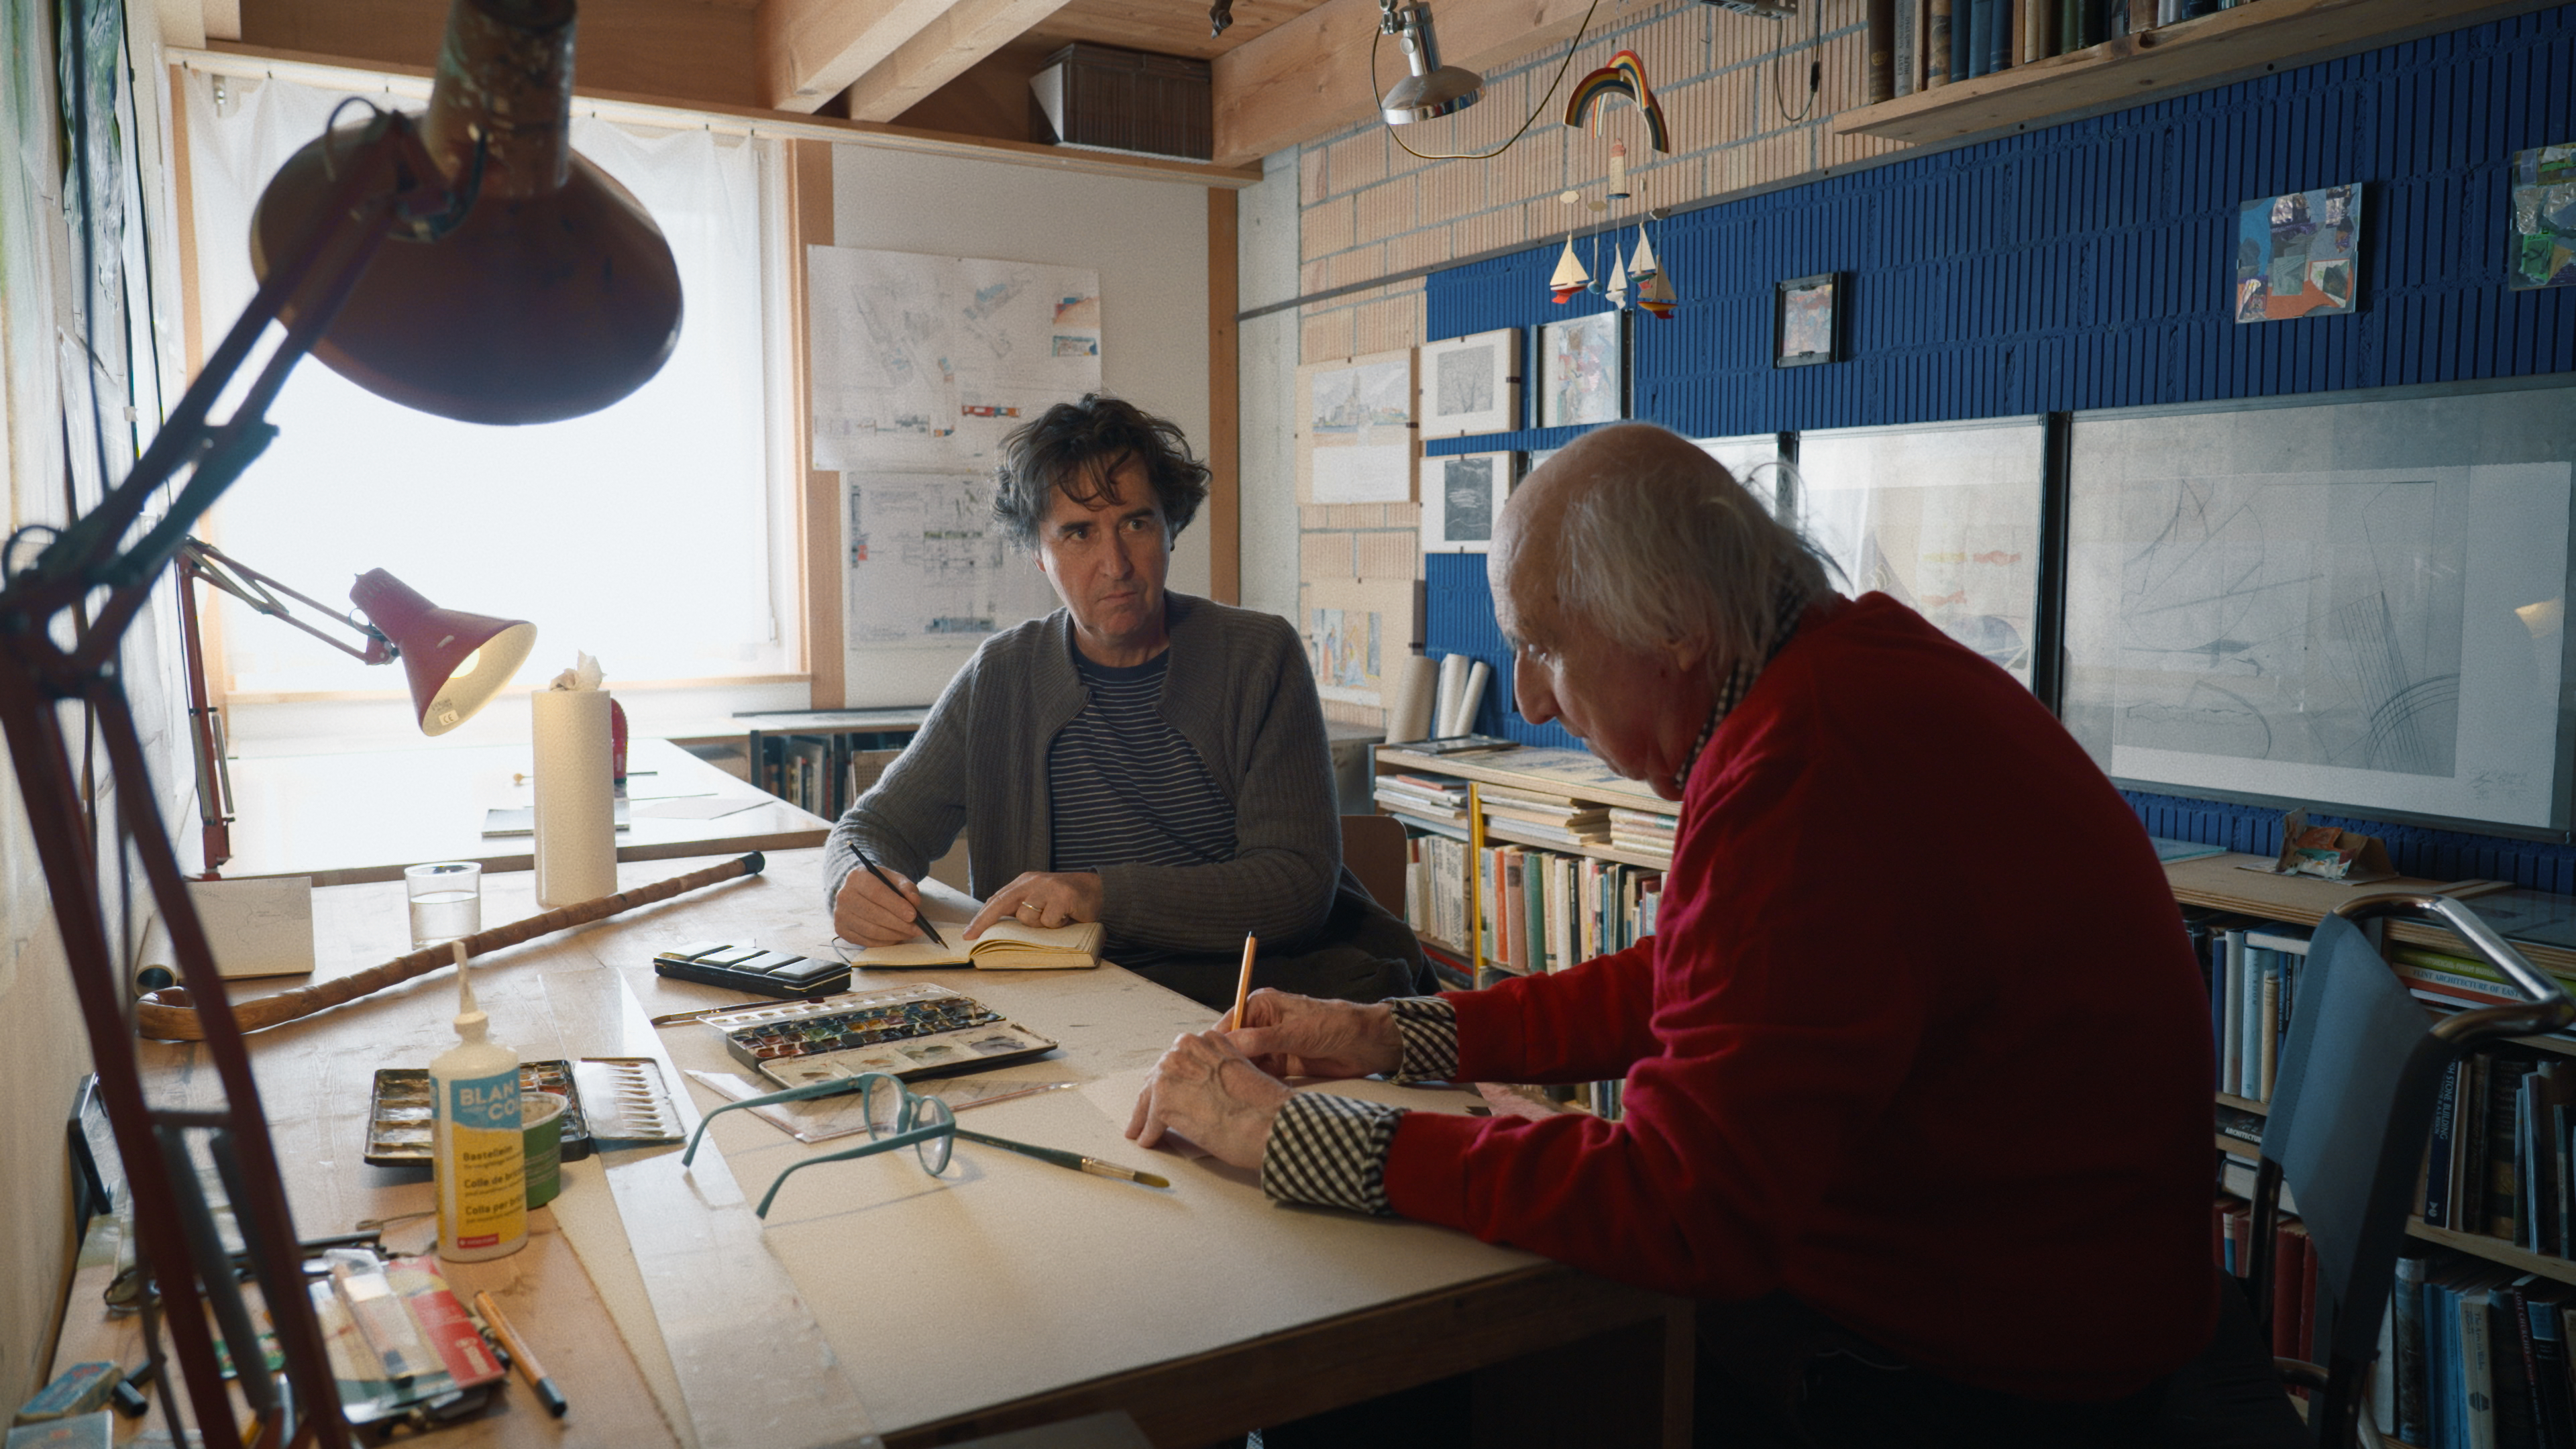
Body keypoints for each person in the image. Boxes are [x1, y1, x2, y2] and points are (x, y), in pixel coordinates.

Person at [1124, 423, 2223, 1445]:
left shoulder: (1811, 764)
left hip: (1984, 1375)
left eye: (1543, 645)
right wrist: (1386, 1035)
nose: (1531, 700)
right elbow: (1697, 983)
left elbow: (1685, 1207)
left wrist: (1292, 1140)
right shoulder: (1837, 676)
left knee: (1407, 1397)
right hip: (2034, 1294)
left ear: (1676, 625)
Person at [825, 394, 1430, 1010]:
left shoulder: (1258, 657)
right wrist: (855, 880)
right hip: (1081, 1007)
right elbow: (872, 828)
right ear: (1039, 553)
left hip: (1254, 999)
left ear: (1171, 526)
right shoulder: (1003, 675)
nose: (1115, 564)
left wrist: (1100, 895)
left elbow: (1295, 887)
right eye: (1079, 534)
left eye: (1136, 523)